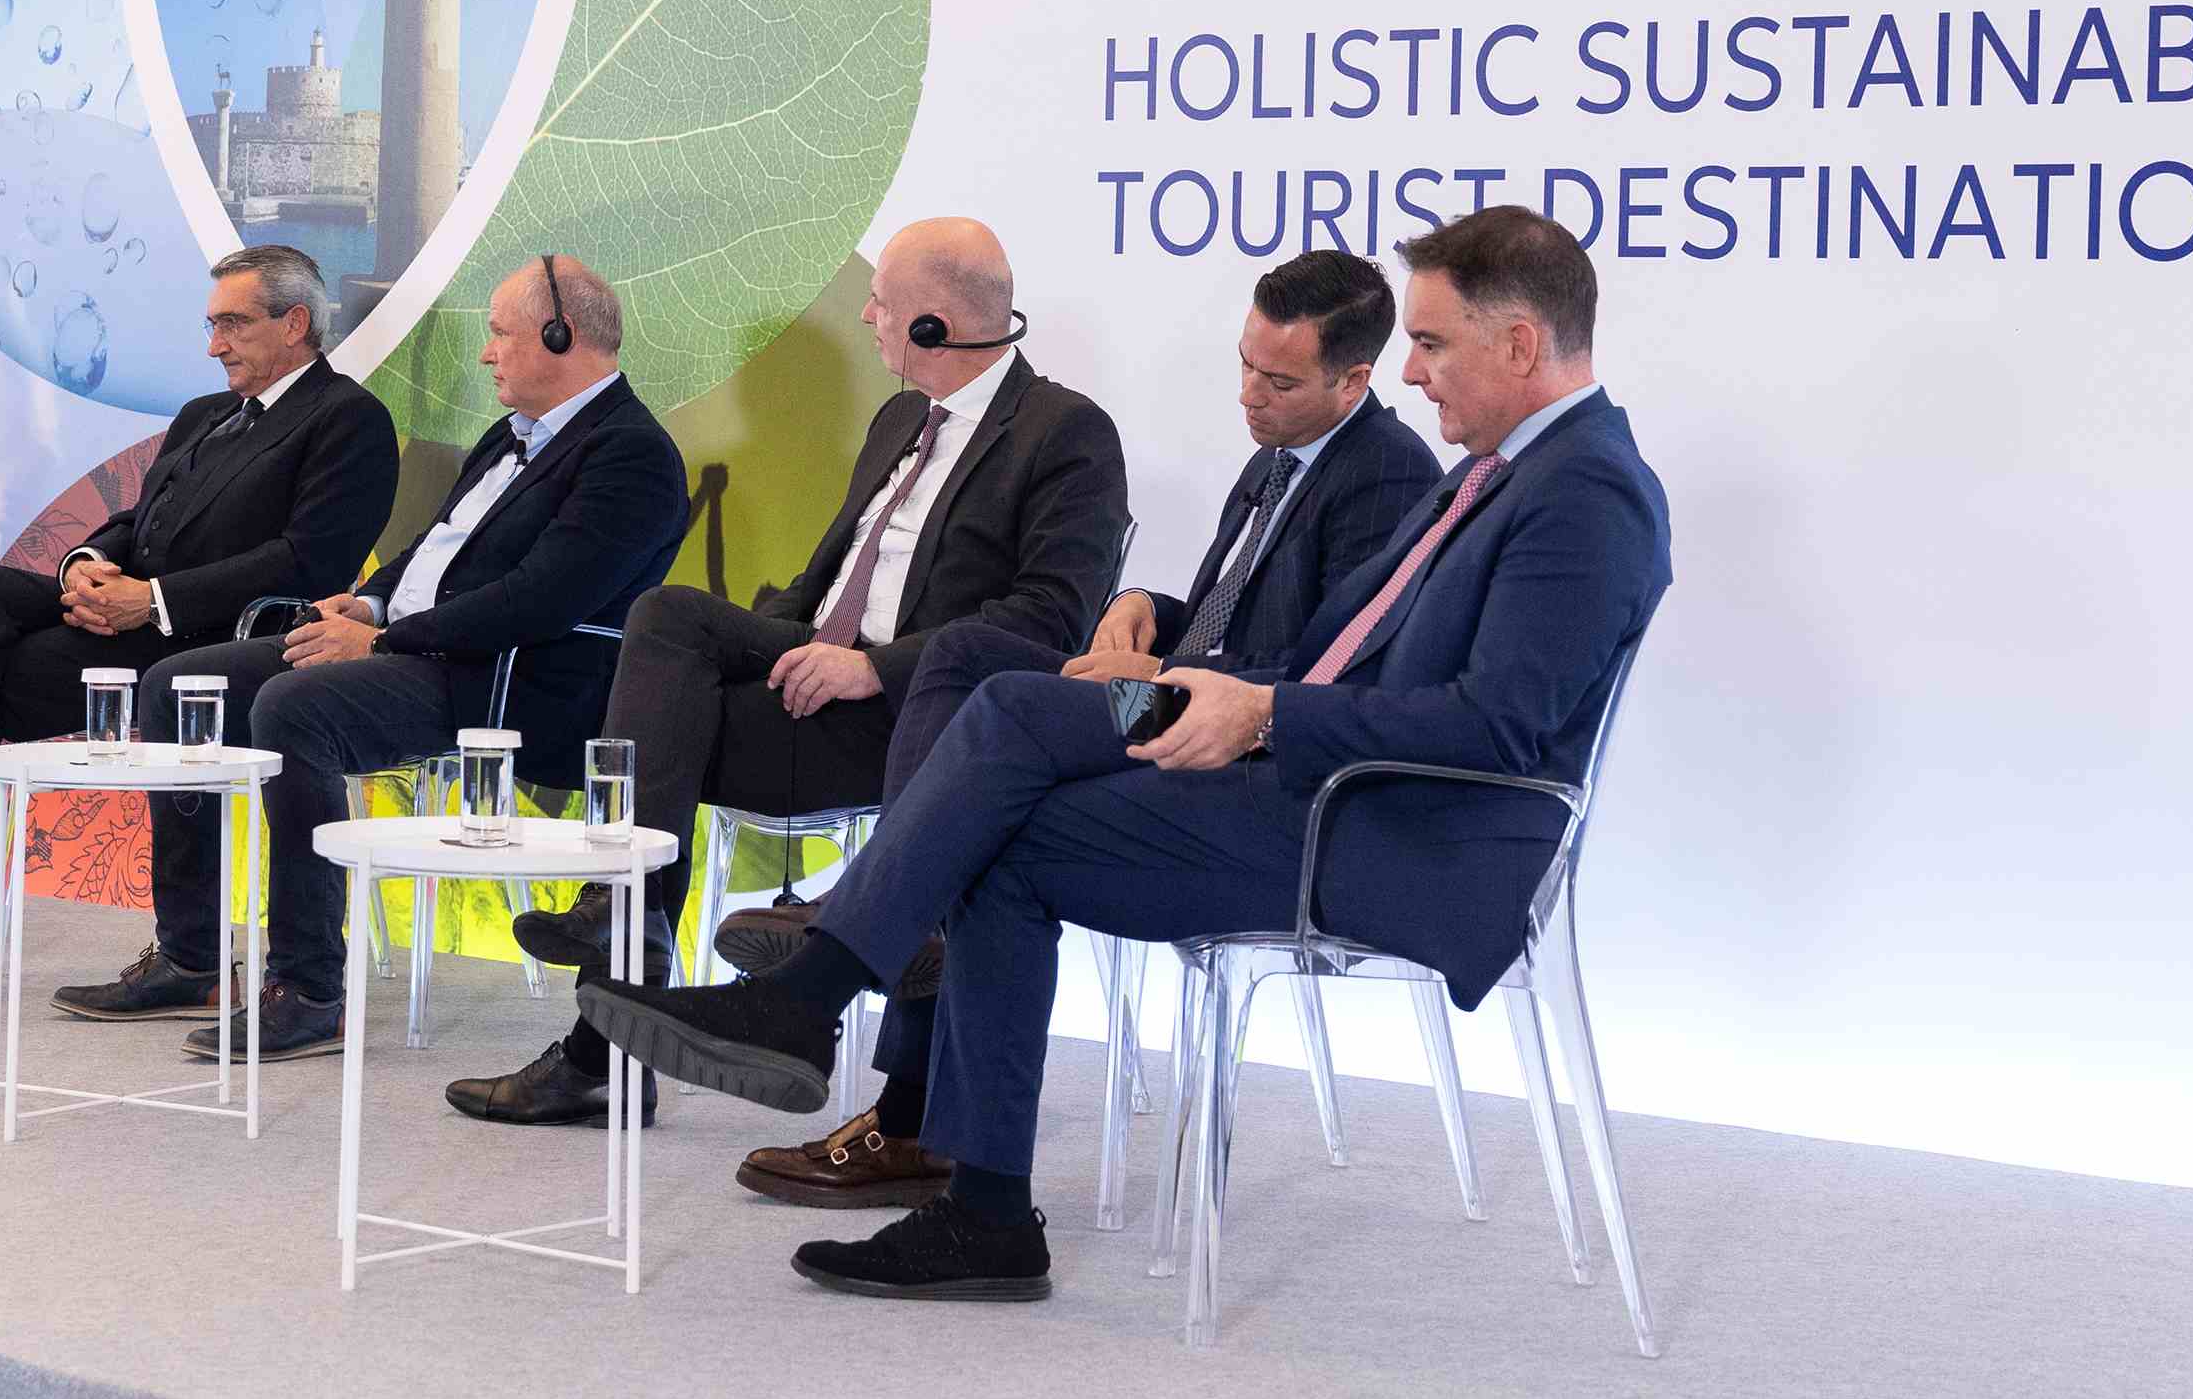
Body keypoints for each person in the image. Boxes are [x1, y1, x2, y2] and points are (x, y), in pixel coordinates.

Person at [578, 206, 1670, 1302]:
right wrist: (1178, 644)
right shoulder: (1496, 472)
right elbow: (1329, 650)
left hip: (1384, 827)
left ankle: (830, 1010)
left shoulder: (1584, 492)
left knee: (999, 772)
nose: (1413, 371)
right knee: (1002, 727)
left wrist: (1263, 715)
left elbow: (1494, 729)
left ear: (1518, 344)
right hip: (1300, 764)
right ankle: (966, 1190)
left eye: (1430, 344)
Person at [717, 246, 1440, 1206]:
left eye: (1278, 381)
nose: (1248, 395)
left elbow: (1320, 677)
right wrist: (1149, 608)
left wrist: (1164, 673)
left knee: (1004, 734)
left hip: (1220, 730)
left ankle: (881, 963)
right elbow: (1240, 615)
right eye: (1244, 365)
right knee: (963, 655)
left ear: (1354, 381)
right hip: (1172, 696)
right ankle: (896, 924)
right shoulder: (1279, 457)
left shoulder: (1384, 475)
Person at [446, 217, 1128, 1132]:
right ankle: (621, 925)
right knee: (669, 631)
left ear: (932, 322)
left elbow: (1049, 619)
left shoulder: (1066, 432)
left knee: (658, 724)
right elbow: (824, 582)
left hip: (920, 718)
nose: (868, 317)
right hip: (814, 678)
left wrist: (871, 669)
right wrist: (772, 646)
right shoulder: (899, 418)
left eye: (880, 303)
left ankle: (603, 1034)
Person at [53, 255, 691, 1065]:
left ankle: (309, 989)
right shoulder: (510, 436)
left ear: (560, 337)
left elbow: (539, 600)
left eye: (500, 334)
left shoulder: (630, 453)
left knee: (294, 707)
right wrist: (371, 604)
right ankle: (192, 957)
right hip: (417, 648)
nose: (487, 353)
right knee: (182, 685)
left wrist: (385, 641)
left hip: (502, 680)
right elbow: (431, 550)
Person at [0, 243, 398, 1000]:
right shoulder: (206, 414)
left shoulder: (348, 418)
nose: (214, 345)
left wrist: (154, 599)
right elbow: (135, 520)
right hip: (129, 617)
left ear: (295, 324)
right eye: (211, 325)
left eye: (233, 325)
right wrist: (86, 563)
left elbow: (309, 561)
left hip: (219, 643)